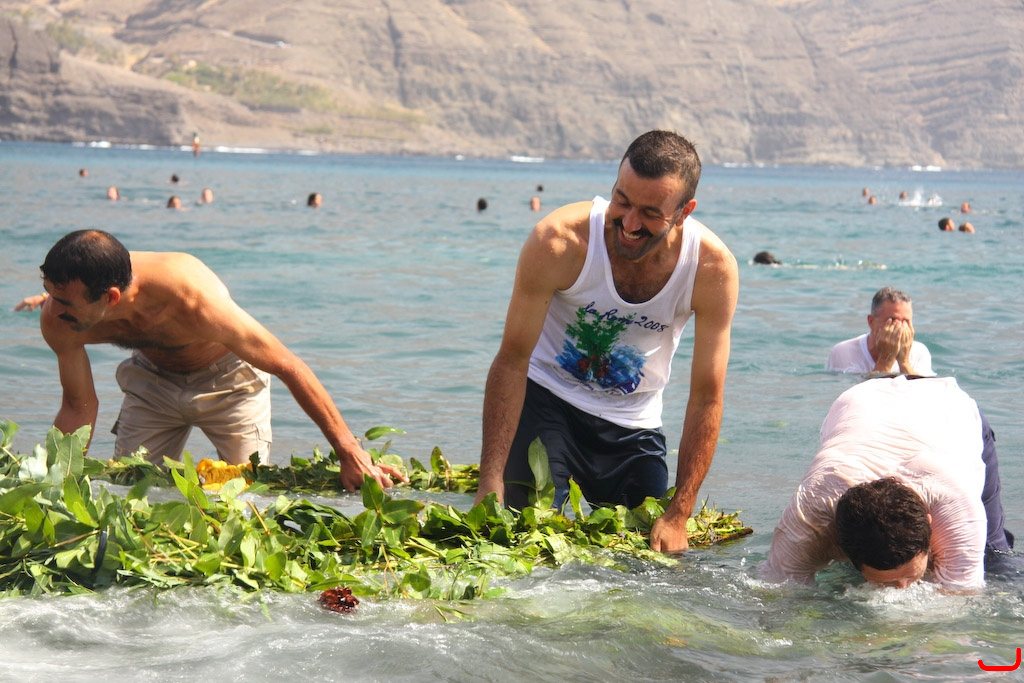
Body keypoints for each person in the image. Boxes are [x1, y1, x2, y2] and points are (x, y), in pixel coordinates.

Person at [473, 130, 739, 553]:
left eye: (650, 213)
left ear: (683, 212)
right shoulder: (559, 240)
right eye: (622, 201)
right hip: (548, 402)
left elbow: (707, 396)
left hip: (634, 424)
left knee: (646, 560)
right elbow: (512, 359)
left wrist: (679, 513)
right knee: (533, 541)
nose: (630, 224)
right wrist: (489, 482)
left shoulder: (711, 269)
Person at [28, 230, 406, 491]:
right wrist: (54, 483)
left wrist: (349, 451)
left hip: (230, 383)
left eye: (64, 301)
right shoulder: (60, 319)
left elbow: (288, 366)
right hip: (152, 381)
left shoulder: (193, 300)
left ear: (110, 297)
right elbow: (78, 406)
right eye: (49, 294)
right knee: (130, 489)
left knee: (243, 497)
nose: (53, 309)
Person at [761, 375, 1011, 590]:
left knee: (993, 558)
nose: (903, 590)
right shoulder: (809, 515)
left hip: (949, 410)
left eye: (911, 578)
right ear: (841, 546)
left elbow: (960, 601)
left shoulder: (956, 505)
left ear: (929, 521)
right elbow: (779, 593)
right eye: (889, 583)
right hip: (862, 402)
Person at [826, 287, 933, 376]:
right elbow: (856, 394)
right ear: (871, 321)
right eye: (892, 321)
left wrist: (904, 362)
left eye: (905, 321)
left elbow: (920, 392)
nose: (900, 327)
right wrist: (885, 360)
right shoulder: (843, 352)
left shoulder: (920, 352)